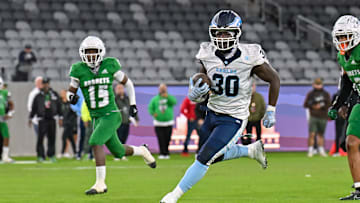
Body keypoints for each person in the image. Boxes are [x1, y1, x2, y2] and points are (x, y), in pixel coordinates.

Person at [160, 10, 280, 203]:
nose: (222, 37)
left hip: (233, 118)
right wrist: (196, 92)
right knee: (211, 156)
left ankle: (173, 196)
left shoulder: (250, 55)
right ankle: (250, 150)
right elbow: (202, 79)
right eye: (218, 33)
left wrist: (272, 109)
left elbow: (274, 79)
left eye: (227, 33)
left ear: (237, 33)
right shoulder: (207, 54)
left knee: (204, 157)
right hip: (212, 112)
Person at [66, 36, 156, 195]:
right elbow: (71, 91)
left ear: (101, 52)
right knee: (118, 151)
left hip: (111, 114)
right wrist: (70, 97)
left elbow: (128, 83)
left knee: (95, 141)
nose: (91, 56)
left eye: (94, 52)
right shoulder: (78, 70)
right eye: (88, 52)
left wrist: (133, 104)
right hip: (96, 117)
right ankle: (142, 150)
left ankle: (100, 184)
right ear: (82, 53)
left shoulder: (110, 65)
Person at [328, 15, 360, 200]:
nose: (343, 40)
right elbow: (346, 83)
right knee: (351, 142)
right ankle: (358, 188)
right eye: (340, 37)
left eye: (346, 36)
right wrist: (337, 105)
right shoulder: (343, 56)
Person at [29, 78, 63, 163]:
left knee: (52, 138)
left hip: (52, 119)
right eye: (44, 84)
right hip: (42, 119)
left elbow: (59, 106)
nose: (46, 85)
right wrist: (30, 118)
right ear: (42, 85)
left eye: (47, 84)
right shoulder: (38, 95)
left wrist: (60, 117)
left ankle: (51, 155)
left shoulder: (54, 94)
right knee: (40, 138)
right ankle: (40, 155)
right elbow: (34, 108)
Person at [303, 78, 331, 157]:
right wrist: (313, 106)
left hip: (323, 116)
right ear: (313, 84)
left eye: (319, 84)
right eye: (317, 84)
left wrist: (321, 106)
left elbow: (329, 104)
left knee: (321, 134)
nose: (318, 86)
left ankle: (321, 150)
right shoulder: (311, 94)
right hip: (313, 116)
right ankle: (310, 150)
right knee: (312, 134)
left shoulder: (325, 94)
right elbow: (305, 104)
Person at [148, 83, 177, 159]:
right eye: (161, 88)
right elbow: (150, 108)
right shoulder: (155, 99)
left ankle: (166, 153)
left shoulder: (169, 97)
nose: (163, 90)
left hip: (168, 122)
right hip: (158, 123)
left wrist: (168, 97)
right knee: (161, 138)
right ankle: (162, 153)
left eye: (164, 88)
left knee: (168, 138)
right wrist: (153, 113)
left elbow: (174, 102)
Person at [0, 77, 15, 163]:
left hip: (2, 117)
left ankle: (5, 156)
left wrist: (10, 113)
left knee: (6, 136)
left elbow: (11, 104)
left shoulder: (5, 93)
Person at [59, 89, 77, 158]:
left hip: (70, 123)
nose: (62, 94)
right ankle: (76, 152)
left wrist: (72, 120)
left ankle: (62, 152)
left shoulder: (70, 103)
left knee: (63, 137)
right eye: (61, 93)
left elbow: (75, 112)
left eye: (63, 93)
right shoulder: (61, 102)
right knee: (71, 138)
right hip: (65, 122)